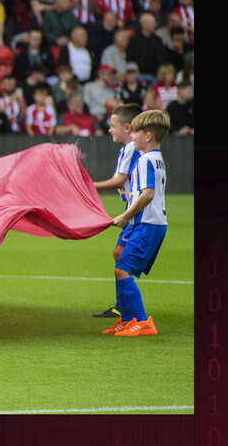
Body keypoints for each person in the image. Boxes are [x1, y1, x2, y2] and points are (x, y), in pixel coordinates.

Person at [103, 109, 170, 337]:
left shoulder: (144, 161)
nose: (132, 137)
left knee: (122, 270)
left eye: (136, 133)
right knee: (120, 261)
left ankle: (142, 322)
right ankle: (127, 319)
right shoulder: (158, 159)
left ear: (148, 136)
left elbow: (147, 194)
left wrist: (125, 216)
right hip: (153, 223)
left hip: (146, 224)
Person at [91, 103, 144, 318]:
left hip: (136, 211)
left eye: (113, 125)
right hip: (131, 208)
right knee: (118, 254)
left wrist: (88, 185)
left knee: (121, 259)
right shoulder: (129, 148)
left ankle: (127, 310)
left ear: (128, 127)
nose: (110, 129)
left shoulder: (131, 148)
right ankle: (121, 306)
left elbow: (119, 180)